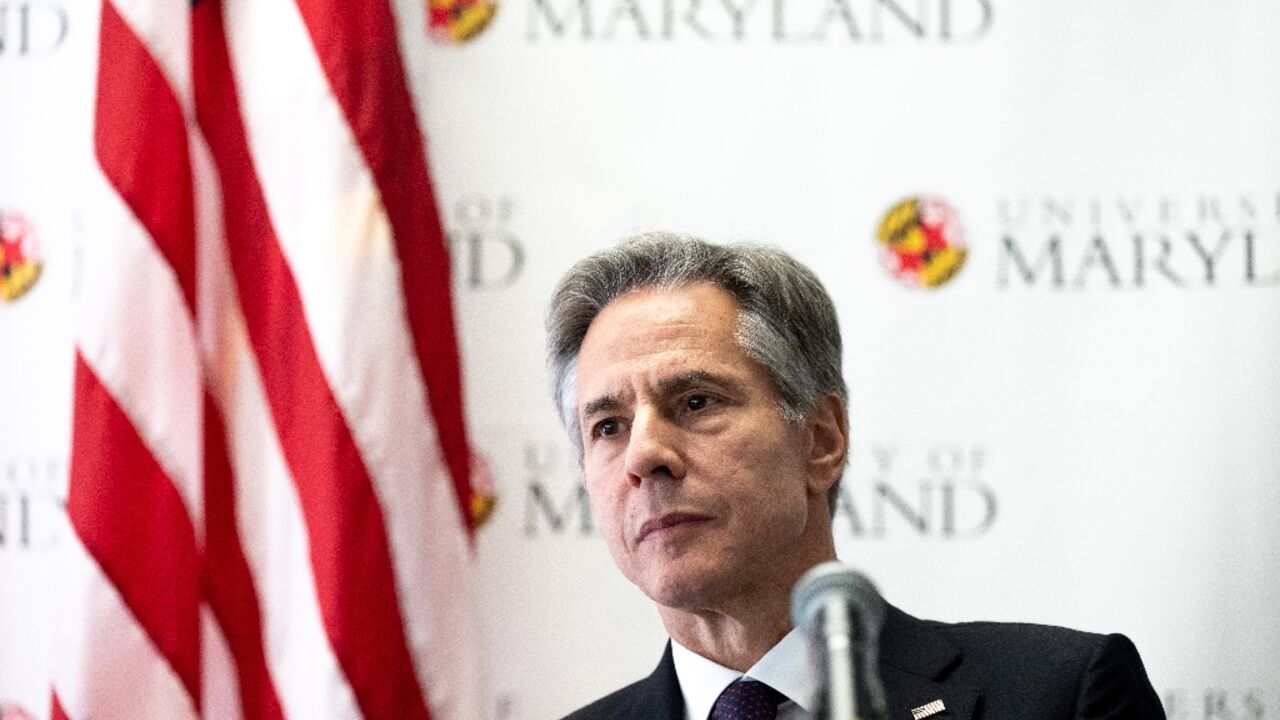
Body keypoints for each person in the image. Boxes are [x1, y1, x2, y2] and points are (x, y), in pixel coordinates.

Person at [545, 232, 1164, 720]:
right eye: (608, 426)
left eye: (697, 402)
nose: (644, 454)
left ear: (822, 439)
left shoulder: (1058, 695)